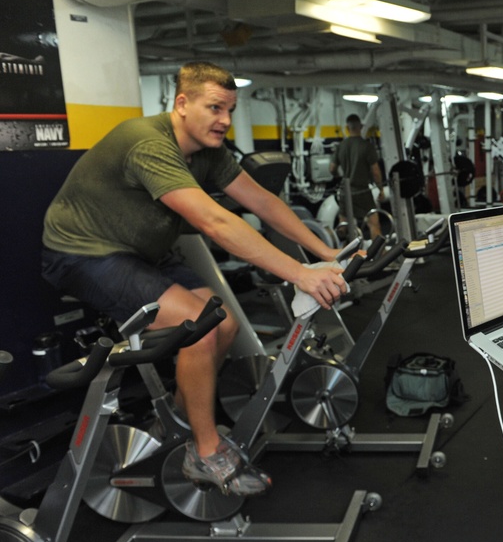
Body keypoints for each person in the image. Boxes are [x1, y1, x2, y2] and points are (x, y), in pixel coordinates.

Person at [42, 62, 350, 497]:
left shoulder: (210, 151)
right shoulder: (147, 142)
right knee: (196, 332)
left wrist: (325, 253)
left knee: (223, 323)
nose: (225, 119)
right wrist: (299, 274)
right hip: (85, 254)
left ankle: (182, 425)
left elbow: (260, 199)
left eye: (230, 109)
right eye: (215, 108)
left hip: (143, 253)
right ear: (182, 104)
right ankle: (203, 452)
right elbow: (215, 222)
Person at [329, 113, 386, 239]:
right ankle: (380, 254)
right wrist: (381, 189)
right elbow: (375, 171)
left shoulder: (341, 146)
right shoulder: (366, 146)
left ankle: (343, 253)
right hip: (362, 190)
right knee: (373, 223)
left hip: (345, 190)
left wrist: (339, 176)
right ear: (360, 127)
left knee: (343, 225)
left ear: (347, 128)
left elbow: (332, 168)